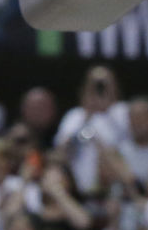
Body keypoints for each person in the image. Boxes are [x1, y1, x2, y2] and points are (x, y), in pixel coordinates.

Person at [55, 66, 131, 195]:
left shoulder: (122, 112)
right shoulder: (75, 115)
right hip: (79, 189)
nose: (99, 89)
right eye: (95, 84)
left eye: (103, 84)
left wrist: (107, 103)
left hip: (115, 189)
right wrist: (87, 114)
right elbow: (61, 152)